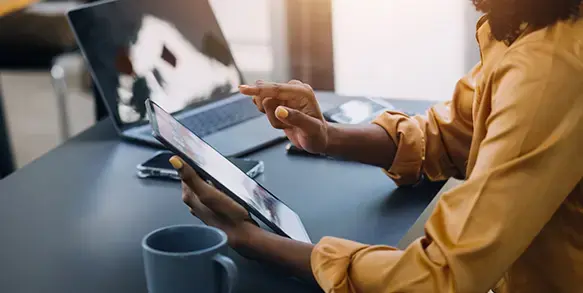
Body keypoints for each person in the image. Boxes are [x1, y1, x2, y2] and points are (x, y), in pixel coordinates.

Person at [168, 0, 583, 292]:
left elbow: (443, 277)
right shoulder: (528, 22)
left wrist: (253, 241)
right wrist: (328, 135)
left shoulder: (550, 69)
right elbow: (454, 133)